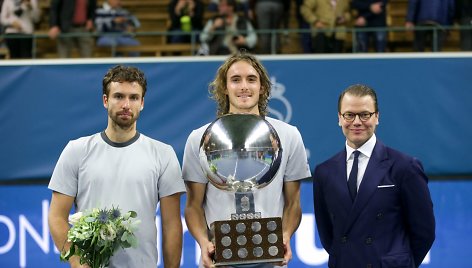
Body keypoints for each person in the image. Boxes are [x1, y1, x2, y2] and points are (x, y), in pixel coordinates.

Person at [182, 51, 311, 267]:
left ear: (262, 87)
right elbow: (193, 206)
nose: (244, 86)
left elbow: (293, 203)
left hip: (271, 257)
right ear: (224, 87)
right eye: (235, 80)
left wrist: (286, 235)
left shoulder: (289, 135)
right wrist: (204, 243)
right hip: (220, 260)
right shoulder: (199, 138)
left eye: (251, 79)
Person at [48, 65, 185, 268]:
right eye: (118, 96)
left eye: (133, 97)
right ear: (105, 100)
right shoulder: (76, 150)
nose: (126, 104)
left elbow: (172, 225)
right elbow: (57, 217)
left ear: (142, 103)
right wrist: (78, 263)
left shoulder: (163, 154)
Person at [312, 84, 435, 268]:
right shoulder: (324, 172)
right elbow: (327, 234)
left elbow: (424, 232)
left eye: (365, 114)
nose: (357, 122)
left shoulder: (405, 167)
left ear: (377, 117)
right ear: (339, 118)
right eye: (349, 115)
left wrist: (398, 264)